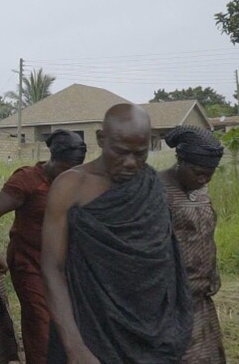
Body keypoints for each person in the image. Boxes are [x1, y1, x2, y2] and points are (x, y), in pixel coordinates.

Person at [42, 104, 193, 363]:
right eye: (121, 152)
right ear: (101, 139)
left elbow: (164, 266)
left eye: (140, 154)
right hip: (92, 328)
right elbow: (51, 267)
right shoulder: (71, 186)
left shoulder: (151, 185)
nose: (131, 163)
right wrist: (75, 347)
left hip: (151, 334)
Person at [0, 130, 87, 364]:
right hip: (29, 263)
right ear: (53, 160)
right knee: (40, 323)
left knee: (65, 323)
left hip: (62, 265)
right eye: (66, 170)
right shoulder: (28, 180)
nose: (70, 176)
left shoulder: (78, 182)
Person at [159, 126, 227, 363]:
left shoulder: (201, 191)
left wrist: (212, 274)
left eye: (210, 174)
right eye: (198, 172)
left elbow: (206, 234)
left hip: (200, 296)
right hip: (170, 300)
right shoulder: (157, 190)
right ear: (180, 160)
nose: (204, 179)